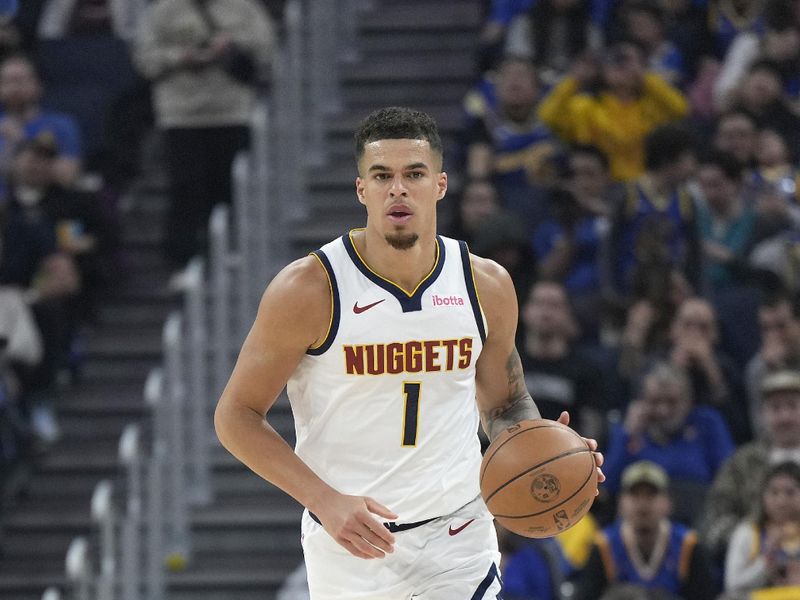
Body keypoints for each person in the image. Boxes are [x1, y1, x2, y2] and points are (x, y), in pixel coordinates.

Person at [214, 107, 604, 599]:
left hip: (458, 535)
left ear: (440, 185)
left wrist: (545, 448)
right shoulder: (310, 289)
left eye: (414, 174)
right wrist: (326, 501)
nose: (398, 189)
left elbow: (506, 404)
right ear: (362, 191)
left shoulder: (485, 284)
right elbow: (236, 417)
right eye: (382, 176)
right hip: (349, 544)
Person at [133, 0, 275, 282]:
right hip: (181, 116)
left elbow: (266, 47)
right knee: (186, 188)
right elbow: (144, 59)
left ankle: (232, 252)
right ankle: (184, 260)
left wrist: (230, 43)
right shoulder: (162, 12)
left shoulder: (243, 8)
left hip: (231, 112)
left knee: (229, 188)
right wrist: (180, 57)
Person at [603, 360, 734, 525]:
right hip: (641, 527)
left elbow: (729, 478)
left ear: (688, 401)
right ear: (641, 401)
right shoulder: (629, 430)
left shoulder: (707, 423)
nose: (663, 410)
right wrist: (627, 434)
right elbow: (607, 487)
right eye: (655, 401)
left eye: (672, 402)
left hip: (698, 526)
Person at [573, 460, 719, 600]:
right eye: (634, 494)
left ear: (668, 502)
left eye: (651, 494)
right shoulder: (604, 546)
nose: (643, 504)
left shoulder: (689, 546)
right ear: (621, 502)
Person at [701, 370, 800, 563]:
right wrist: (754, 537)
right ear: (762, 415)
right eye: (776, 408)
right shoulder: (742, 462)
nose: (785, 417)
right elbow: (715, 521)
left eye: (792, 406)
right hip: (754, 562)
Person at [724, 461, 800, 596]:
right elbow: (733, 585)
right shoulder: (748, 532)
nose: (781, 501)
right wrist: (765, 563)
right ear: (762, 496)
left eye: (790, 493)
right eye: (774, 492)